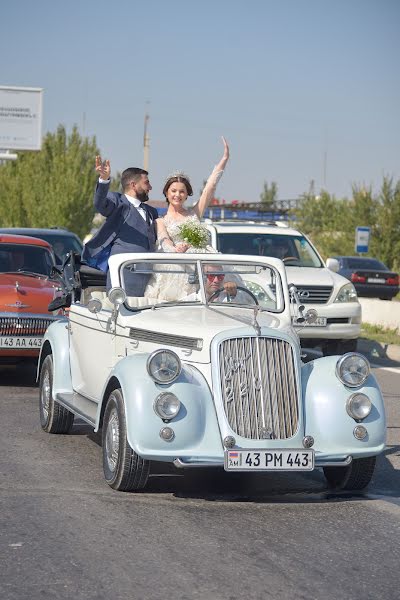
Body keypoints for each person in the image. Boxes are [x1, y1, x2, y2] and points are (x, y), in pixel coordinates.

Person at [145, 137, 229, 300]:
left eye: (182, 191)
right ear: (167, 193)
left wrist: (224, 160)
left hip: (203, 268)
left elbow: (210, 188)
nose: (177, 195)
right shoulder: (160, 220)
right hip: (176, 268)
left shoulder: (194, 212)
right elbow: (164, 240)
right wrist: (176, 249)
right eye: (174, 191)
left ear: (187, 194)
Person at [82, 158, 158, 295]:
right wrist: (104, 180)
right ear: (133, 185)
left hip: (151, 277)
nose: (150, 187)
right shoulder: (117, 202)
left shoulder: (152, 212)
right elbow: (100, 203)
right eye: (146, 183)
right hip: (124, 274)